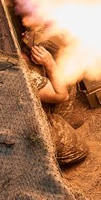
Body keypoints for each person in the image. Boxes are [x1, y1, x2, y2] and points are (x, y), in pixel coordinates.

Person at [22, 30, 89, 167]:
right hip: (29, 127)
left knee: (67, 74)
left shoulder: (8, 53)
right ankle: (44, 157)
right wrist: (50, 63)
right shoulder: (23, 74)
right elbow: (61, 95)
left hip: (30, 108)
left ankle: (61, 122)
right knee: (80, 149)